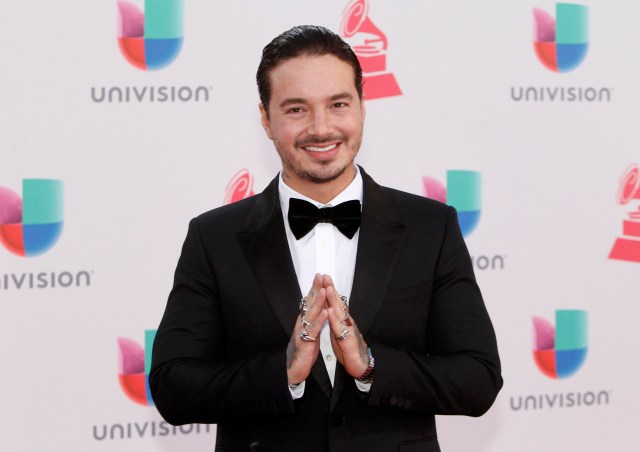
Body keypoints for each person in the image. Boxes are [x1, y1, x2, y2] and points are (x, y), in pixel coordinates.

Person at [150, 25, 502, 452]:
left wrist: (370, 366)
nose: (321, 128)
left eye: (338, 104)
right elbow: (172, 386)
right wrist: (283, 373)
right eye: (296, 109)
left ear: (362, 106)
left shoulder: (430, 226)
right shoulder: (214, 236)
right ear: (265, 118)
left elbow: (479, 378)